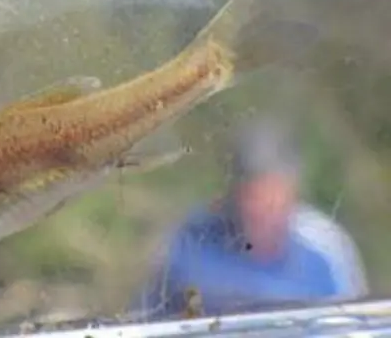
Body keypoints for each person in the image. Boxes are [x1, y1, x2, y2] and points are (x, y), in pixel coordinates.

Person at [130, 118, 368, 321]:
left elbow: (353, 324)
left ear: (292, 193)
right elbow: (146, 320)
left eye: (271, 196)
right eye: (250, 196)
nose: (259, 209)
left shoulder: (325, 250)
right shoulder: (191, 240)